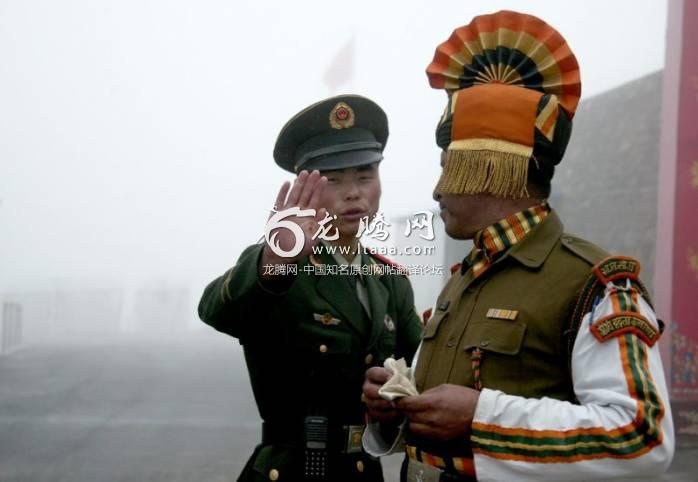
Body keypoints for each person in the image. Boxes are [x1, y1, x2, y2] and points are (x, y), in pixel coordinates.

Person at [362, 10, 674, 482]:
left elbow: (641, 436)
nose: (436, 191)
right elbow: (438, 429)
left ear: (488, 167)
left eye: (447, 167)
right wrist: (394, 411)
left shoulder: (594, 283)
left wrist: (483, 417)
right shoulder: (463, 280)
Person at [199, 95, 423, 481]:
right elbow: (216, 310)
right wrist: (273, 262)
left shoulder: (391, 282)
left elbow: (419, 372)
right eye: (333, 180)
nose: (353, 192)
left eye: (365, 176)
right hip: (292, 469)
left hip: (363, 469)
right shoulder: (280, 266)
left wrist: (394, 398)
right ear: (307, 188)